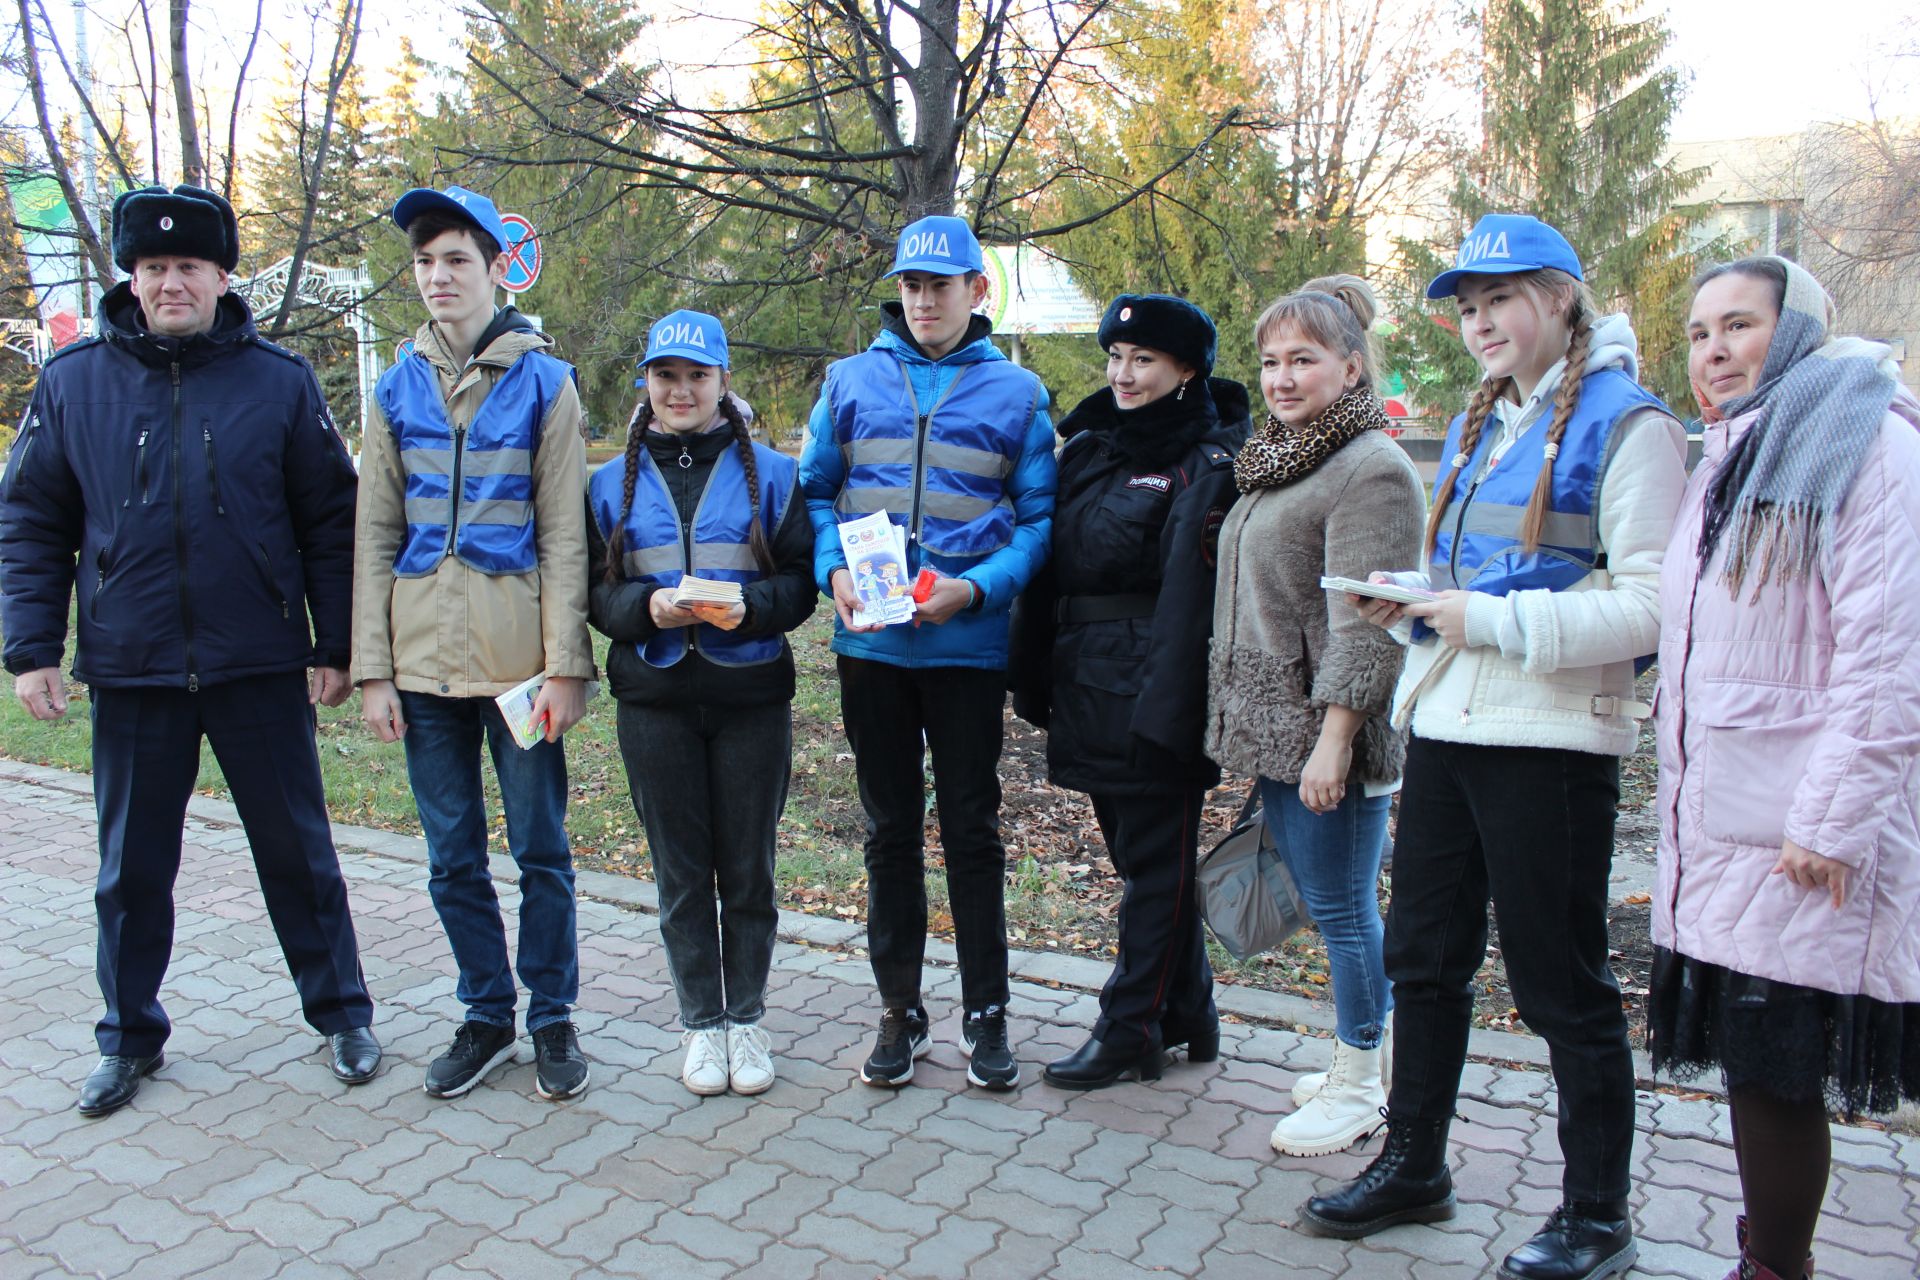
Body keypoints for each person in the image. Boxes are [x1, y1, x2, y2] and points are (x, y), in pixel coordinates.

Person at [1300, 214, 1687, 1280]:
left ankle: (1597, 1215)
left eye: (1499, 301)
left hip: (1553, 742)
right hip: (1450, 724)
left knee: (1562, 983)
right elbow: (1465, 581)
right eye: (1466, 308)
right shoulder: (1482, 421)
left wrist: (1487, 619)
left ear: (1560, 297)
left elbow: (1653, 607)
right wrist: (1413, 606)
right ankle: (1416, 1164)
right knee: (1424, 960)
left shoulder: (1632, 423)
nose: (1478, 323)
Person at [0, 183, 380, 1115]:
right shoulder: (73, 382)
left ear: (220, 275)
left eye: (190, 268)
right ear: (131, 275)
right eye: (155, 267)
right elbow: (32, 522)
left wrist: (333, 642)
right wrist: (30, 648)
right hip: (132, 666)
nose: (171, 283)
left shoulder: (279, 381)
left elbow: (332, 523)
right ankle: (129, 1037)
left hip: (255, 659)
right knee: (130, 868)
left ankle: (341, 1014)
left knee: (298, 851)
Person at [1648, 256, 1920, 1280]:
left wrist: (1832, 822)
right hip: (1731, 814)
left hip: (1805, 829)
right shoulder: (1739, 450)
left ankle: (1777, 1269)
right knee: (1761, 1069)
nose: (1713, 350)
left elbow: (1892, 660)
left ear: (1798, 329)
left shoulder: (1867, 442)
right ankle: (1767, 1255)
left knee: (1775, 1066)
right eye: (1697, 330)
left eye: (1739, 326)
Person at [798, 215, 1057, 1090]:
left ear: (977, 292)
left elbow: (1038, 522)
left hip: (965, 649)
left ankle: (987, 1015)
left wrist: (977, 589)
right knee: (889, 832)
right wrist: (833, 569)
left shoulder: (1019, 395)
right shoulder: (846, 381)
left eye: (940, 286)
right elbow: (816, 492)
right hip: (871, 648)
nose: (923, 301)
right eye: (911, 285)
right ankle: (899, 1010)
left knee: (973, 833)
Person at [352, 185, 595, 1102]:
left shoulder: (547, 381)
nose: (439, 277)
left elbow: (565, 533)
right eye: (425, 262)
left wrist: (567, 665)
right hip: (420, 667)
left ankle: (553, 1016)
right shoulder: (394, 383)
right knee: (451, 855)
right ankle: (486, 1014)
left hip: (520, 669)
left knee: (540, 849)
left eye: (457, 259)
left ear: (496, 267)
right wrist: (374, 670)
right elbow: (374, 532)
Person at [1203, 276, 1425, 1150]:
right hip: (1279, 726)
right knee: (1337, 904)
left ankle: (1364, 1078)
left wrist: (1334, 744)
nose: (1283, 378)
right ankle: (1364, 1056)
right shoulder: (1282, 457)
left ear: (1352, 366)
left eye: (1304, 359)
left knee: (1340, 909)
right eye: (1270, 362)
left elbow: (1368, 626)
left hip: (1327, 734)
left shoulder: (1371, 469)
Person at [1005, 294, 1245, 1089]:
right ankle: (1190, 1010)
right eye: (1116, 357)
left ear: (1186, 370)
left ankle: (1130, 1026)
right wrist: (1033, 671)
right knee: (1145, 859)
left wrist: (1173, 701)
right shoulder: (1091, 449)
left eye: (1144, 360)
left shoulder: (1205, 458)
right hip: (1086, 675)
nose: (1123, 374)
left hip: (1156, 681)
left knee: (1155, 864)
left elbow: (1192, 594)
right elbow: (1048, 565)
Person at [587, 310, 816, 1096]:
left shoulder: (777, 475)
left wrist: (749, 610)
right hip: (653, 702)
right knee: (681, 874)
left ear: (723, 383)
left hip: (750, 697)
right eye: (665, 377)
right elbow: (594, 594)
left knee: (747, 869)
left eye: (697, 376)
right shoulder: (602, 484)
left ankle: (745, 1021)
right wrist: (643, 610)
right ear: (645, 384)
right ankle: (701, 1025)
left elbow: (800, 585)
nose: (680, 391)